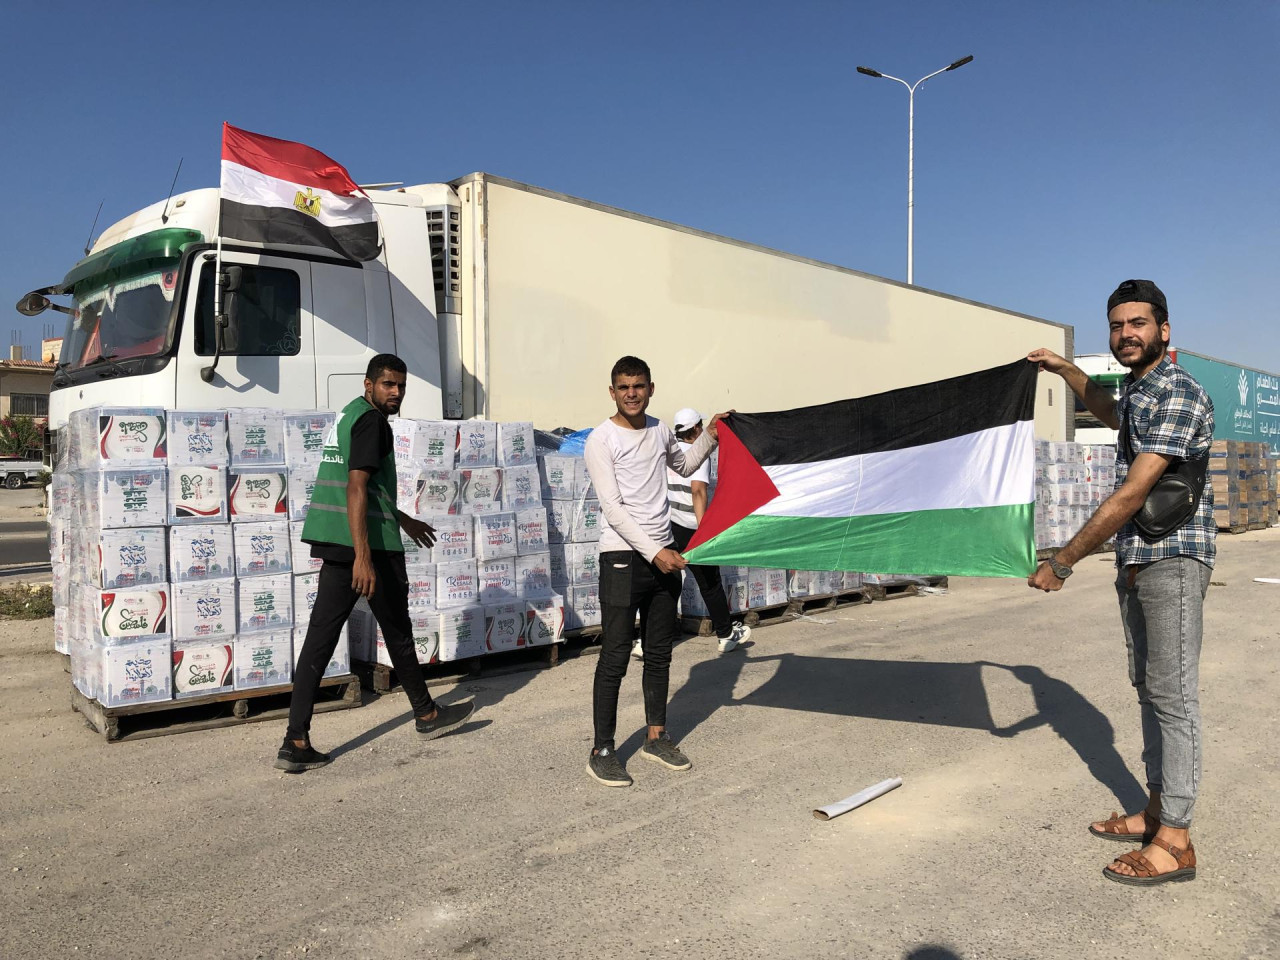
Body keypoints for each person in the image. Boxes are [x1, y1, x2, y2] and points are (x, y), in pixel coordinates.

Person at [1027, 279, 1214, 886]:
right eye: (1116, 325)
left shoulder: (1180, 393)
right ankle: (1157, 808)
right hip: (1137, 559)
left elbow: (1133, 491)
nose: (1126, 334)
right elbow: (1107, 409)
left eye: (1138, 323)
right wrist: (1060, 367)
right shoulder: (1138, 391)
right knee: (1149, 688)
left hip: (1174, 559)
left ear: (1164, 329)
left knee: (1174, 694)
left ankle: (1177, 839)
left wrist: (1063, 560)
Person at [278, 353, 474, 772]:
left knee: (321, 639)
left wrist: (402, 518)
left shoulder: (349, 415)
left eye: (400, 385)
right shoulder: (372, 422)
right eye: (388, 384)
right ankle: (426, 714)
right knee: (398, 633)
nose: (396, 392)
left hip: (338, 544)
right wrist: (363, 559)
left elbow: (365, 486)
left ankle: (295, 740)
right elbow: (355, 487)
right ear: (369, 384)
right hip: (369, 549)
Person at [583, 356, 728, 787]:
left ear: (651, 388)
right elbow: (613, 510)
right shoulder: (601, 440)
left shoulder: (661, 429)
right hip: (624, 558)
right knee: (614, 657)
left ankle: (656, 736)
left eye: (639, 386)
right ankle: (602, 750)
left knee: (660, 654)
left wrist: (713, 436)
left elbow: (684, 467)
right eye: (624, 386)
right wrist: (655, 552)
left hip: (661, 556)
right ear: (612, 391)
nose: (632, 393)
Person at [632, 407, 750, 660]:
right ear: (697, 428)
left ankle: (645, 640)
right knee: (709, 582)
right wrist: (704, 530)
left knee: (661, 583)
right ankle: (726, 635)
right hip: (690, 526)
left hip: (667, 524)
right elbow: (698, 491)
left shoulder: (669, 451)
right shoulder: (700, 454)